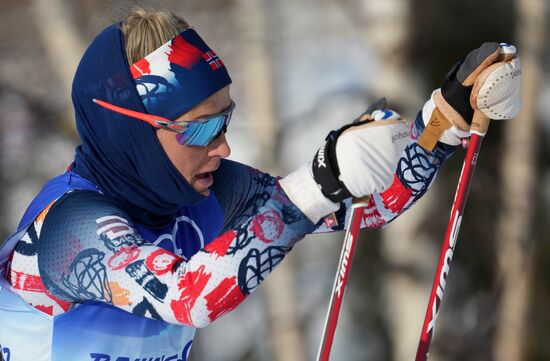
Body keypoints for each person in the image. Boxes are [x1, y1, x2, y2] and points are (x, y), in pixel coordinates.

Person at [0, 7, 520, 361]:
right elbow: (187, 297)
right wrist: (314, 184)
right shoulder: (68, 226)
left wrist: (442, 121)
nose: (223, 146)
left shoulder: (202, 191)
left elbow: (365, 206)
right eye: (201, 128)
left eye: (225, 120)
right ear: (131, 130)